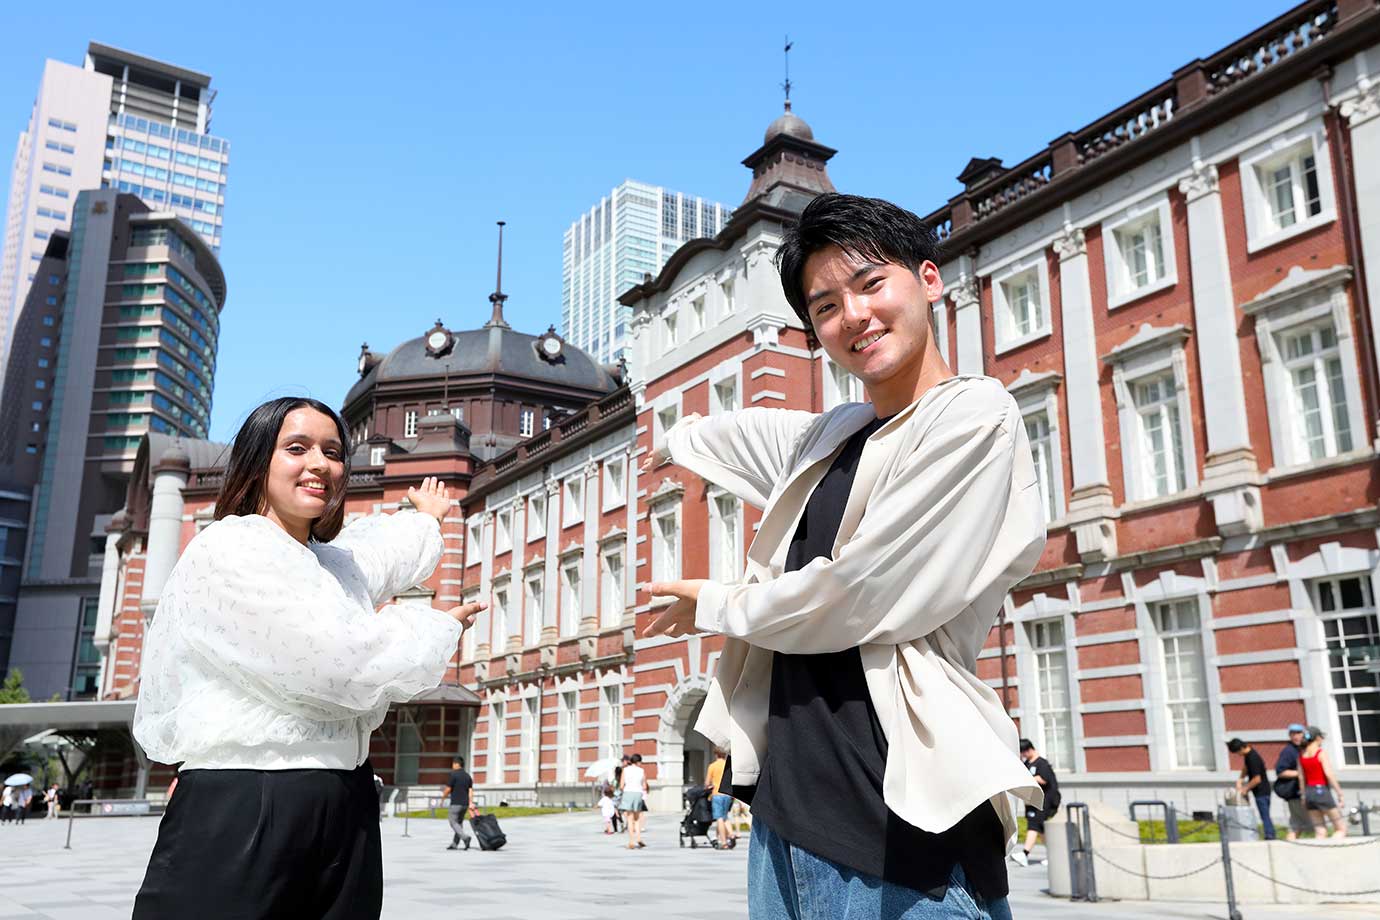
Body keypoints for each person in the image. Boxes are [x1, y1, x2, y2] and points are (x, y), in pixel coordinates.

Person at [643, 194, 1044, 920]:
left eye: (869, 285)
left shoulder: (975, 416)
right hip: (782, 824)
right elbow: (735, 430)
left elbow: (858, 590)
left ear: (928, 279)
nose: (852, 316)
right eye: (825, 307)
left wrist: (717, 603)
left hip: (899, 835)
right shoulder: (831, 438)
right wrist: (670, 435)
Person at [130, 397, 485, 919]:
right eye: (297, 448)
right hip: (250, 799)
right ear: (258, 461)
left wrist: (427, 521)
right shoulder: (230, 547)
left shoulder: (325, 563)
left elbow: (377, 557)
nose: (320, 463)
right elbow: (337, 666)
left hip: (345, 799)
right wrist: (436, 627)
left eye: (333, 451)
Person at [1012, 740, 1059, 866]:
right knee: (1041, 829)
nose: (1023, 756)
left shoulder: (1042, 763)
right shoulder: (1027, 763)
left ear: (1028, 750)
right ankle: (1053, 855)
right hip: (1032, 801)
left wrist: (1028, 779)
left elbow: (1044, 779)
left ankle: (1025, 854)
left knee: (1033, 825)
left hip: (1044, 801)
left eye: (1023, 752)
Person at [1300, 727, 1346, 837]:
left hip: (1309, 792)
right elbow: (1328, 774)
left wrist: (1303, 796)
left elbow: (1301, 777)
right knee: (1340, 828)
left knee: (1320, 830)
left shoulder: (1302, 755)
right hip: (1322, 791)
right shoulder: (1320, 753)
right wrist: (1339, 793)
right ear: (1318, 738)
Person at [1227, 738, 1275, 840]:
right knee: (1264, 814)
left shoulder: (1253, 758)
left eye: (1237, 752)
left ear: (1240, 748)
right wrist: (1240, 779)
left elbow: (1257, 779)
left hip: (1262, 791)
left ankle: (1270, 835)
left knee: (1264, 814)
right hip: (1259, 791)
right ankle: (1269, 834)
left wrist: (1245, 789)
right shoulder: (1248, 755)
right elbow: (1246, 767)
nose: (1238, 755)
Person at [1272, 724, 1308, 840]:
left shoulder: (1302, 749)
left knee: (1296, 824)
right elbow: (1280, 771)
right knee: (1299, 823)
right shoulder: (1289, 751)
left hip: (1300, 791)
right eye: (1293, 734)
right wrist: (1300, 773)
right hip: (1295, 793)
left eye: (1298, 733)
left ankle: (1290, 846)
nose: (1296, 736)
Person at [705, 748, 736, 849]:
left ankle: (723, 842)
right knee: (725, 816)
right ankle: (731, 834)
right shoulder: (729, 766)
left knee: (719, 818)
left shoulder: (712, 766)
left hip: (717, 794)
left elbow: (707, 783)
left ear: (716, 755)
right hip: (727, 794)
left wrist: (709, 786)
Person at [442, 757, 475, 850]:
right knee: (459, 823)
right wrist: (471, 802)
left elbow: (448, 789)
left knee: (452, 822)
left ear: (456, 764)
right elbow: (471, 791)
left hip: (456, 803)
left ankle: (465, 837)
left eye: (453, 764)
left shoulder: (453, 775)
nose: (452, 766)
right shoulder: (468, 776)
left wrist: (442, 798)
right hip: (465, 804)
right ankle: (454, 844)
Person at [619, 752, 649, 850]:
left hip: (628, 793)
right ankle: (639, 838)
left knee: (629, 818)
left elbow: (621, 785)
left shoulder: (625, 770)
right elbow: (644, 786)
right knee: (637, 818)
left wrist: (624, 790)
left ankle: (631, 841)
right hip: (638, 793)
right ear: (638, 762)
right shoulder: (642, 771)